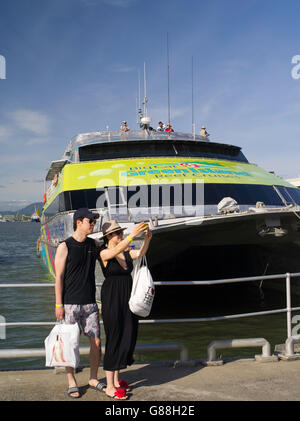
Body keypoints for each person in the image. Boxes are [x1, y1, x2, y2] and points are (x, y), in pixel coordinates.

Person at [98, 220, 152, 400]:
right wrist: (131, 236)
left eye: (120, 232)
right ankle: (109, 385)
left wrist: (147, 239)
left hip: (126, 298)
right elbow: (114, 251)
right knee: (114, 337)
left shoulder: (125, 252)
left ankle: (117, 380)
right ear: (108, 237)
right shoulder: (105, 252)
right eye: (116, 233)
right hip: (112, 298)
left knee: (126, 335)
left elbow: (141, 253)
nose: (120, 235)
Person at [54, 208, 102, 399]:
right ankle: (71, 380)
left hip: (90, 303)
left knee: (96, 342)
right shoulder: (65, 246)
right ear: (78, 222)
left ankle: (93, 378)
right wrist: (59, 304)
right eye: (90, 221)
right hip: (70, 304)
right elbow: (58, 277)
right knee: (69, 345)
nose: (93, 224)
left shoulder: (94, 244)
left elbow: (109, 252)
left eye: (93, 221)